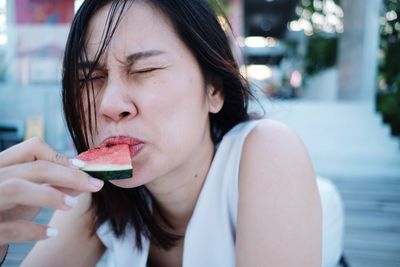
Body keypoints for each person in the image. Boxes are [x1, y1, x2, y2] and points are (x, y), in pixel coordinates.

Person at [1, 0, 322, 266]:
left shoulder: (268, 151)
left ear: (214, 89)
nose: (110, 105)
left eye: (144, 70)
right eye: (90, 79)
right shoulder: (99, 194)